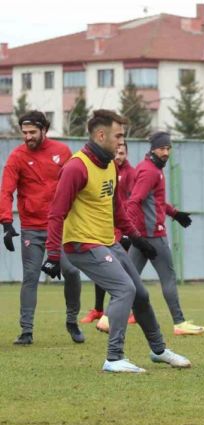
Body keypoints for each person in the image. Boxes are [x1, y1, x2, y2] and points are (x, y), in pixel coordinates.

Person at [42, 109, 191, 373]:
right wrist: (53, 255)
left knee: (141, 295)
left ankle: (159, 350)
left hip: (107, 242)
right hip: (81, 245)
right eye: (118, 136)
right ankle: (113, 358)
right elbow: (56, 212)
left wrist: (136, 238)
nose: (122, 142)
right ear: (101, 135)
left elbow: (117, 210)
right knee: (125, 290)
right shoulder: (76, 167)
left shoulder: (110, 164)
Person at [0, 110, 84, 345]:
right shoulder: (16, 157)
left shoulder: (62, 152)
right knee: (30, 277)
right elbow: (6, 190)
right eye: (24, 132)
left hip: (61, 227)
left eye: (32, 132)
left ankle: (72, 320)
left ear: (44, 130)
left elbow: (77, 187)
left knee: (71, 271)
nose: (28, 137)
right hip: (31, 228)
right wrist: (6, 222)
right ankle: (26, 331)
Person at [125, 132, 204, 336]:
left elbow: (155, 202)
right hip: (153, 235)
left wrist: (175, 213)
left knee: (127, 278)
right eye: (162, 148)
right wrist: (129, 230)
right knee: (168, 277)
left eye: (168, 148)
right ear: (153, 149)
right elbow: (135, 201)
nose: (166, 152)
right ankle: (179, 322)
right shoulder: (151, 172)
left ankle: (108, 318)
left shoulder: (146, 168)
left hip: (142, 235)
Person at [80, 142, 137, 328]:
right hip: (106, 228)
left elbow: (132, 203)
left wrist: (129, 230)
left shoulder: (131, 174)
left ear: (127, 154)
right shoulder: (106, 169)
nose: (118, 156)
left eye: (122, 153)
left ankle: (119, 313)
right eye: (116, 152)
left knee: (121, 273)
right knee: (107, 269)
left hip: (122, 230)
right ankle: (99, 310)